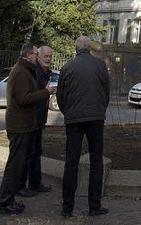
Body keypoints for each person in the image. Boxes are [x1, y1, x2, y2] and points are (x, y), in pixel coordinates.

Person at [0, 43, 55, 216]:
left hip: (24, 124)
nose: (37, 57)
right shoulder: (21, 72)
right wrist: (46, 92)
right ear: (28, 55)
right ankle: (5, 202)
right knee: (15, 165)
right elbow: (24, 98)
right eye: (36, 54)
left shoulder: (24, 70)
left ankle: (9, 200)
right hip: (19, 125)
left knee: (18, 163)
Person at [56, 36, 110, 218]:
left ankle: (67, 207)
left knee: (71, 162)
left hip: (73, 119)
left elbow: (60, 96)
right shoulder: (100, 65)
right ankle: (94, 205)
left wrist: (67, 112)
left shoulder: (67, 67)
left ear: (76, 48)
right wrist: (100, 110)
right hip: (95, 118)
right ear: (89, 48)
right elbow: (106, 91)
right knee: (96, 161)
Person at [23, 44, 54, 194]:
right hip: (32, 119)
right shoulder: (35, 72)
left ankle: (35, 182)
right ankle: (25, 184)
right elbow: (32, 95)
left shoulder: (46, 72)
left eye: (50, 56)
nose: (48, 59)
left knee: (36, 151)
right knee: (29, 152)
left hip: (39, 118)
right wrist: (46, 92)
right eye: (45, 56)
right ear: (38, 57)